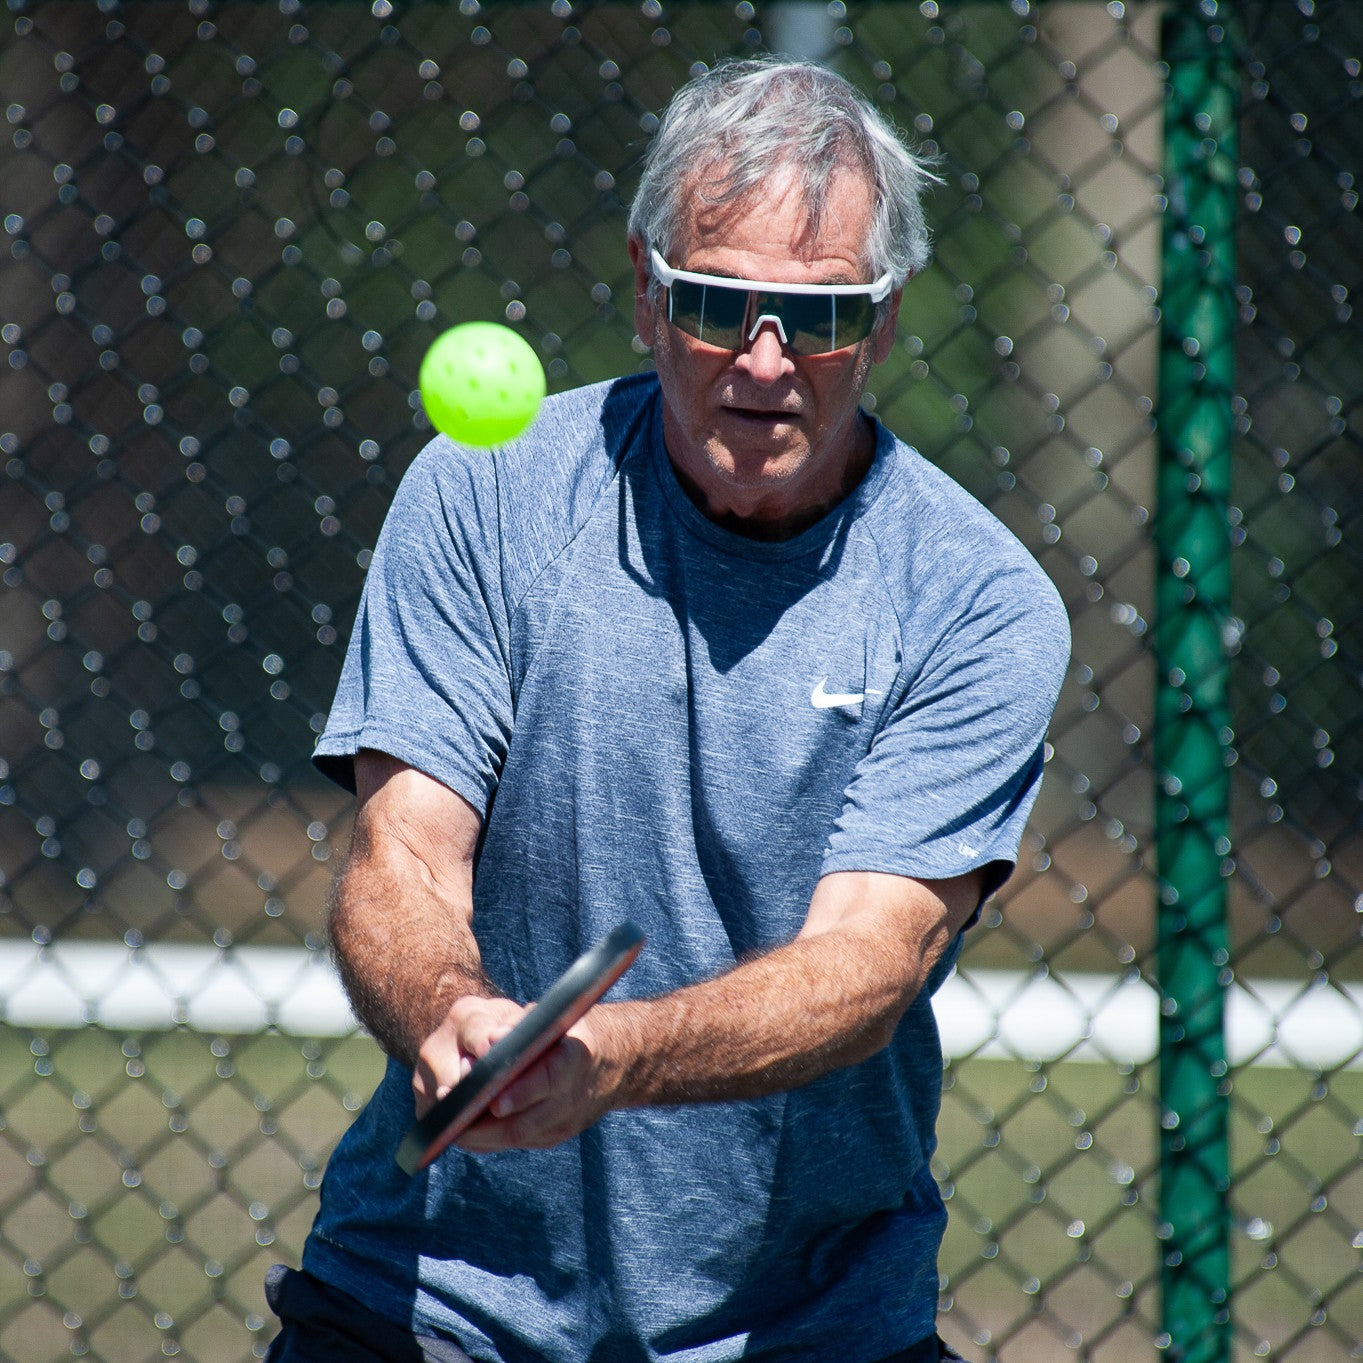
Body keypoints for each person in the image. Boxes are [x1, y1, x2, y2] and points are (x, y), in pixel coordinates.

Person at [265, 56, 1069, 1363]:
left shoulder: (978, 603)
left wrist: (617, 1060)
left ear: (885, 321)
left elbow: (869, 962)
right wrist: (449, 1010)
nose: (764, 362)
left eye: (814, 317)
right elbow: (401, 855)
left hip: (811, 1328)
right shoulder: (483, 495)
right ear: (646, 293)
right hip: (430, 1299)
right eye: (716, 302)